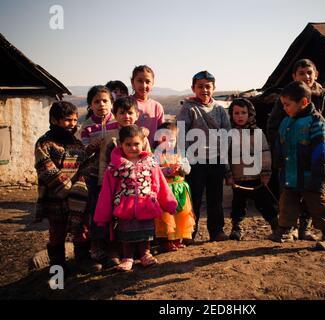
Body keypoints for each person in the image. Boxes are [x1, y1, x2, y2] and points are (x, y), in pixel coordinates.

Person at [266, 59, 325, 241]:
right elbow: (279, 142)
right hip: (291, 173)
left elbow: (324, 151)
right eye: (301, 73)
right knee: (287, 203)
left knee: (318, 204)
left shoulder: (317, 123)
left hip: (312, 173)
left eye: (287, 105)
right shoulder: (286, 120)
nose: (284, 108)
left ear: (303, 102)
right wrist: (279, 163)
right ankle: (284, 231)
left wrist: (322, 176)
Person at [94, 125, 178, 271]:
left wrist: (169, 204)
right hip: (124, 208)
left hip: (147, 205)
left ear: (143, 143)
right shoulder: (115, 167)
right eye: (128, 144)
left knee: (145, 233)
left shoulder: (150, 163)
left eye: (136, 144)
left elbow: (160, 184)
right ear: (121, 144)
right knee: (126, 233)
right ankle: (127, 258)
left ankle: (145, 254)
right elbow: (107, 192)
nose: (133, 148)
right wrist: (102, 216)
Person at [33, 101, 97, 275]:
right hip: (55, 197)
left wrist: (90, 153)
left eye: (75, 120)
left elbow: (81, 164)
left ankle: (82, 261)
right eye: (68, 120)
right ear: (54, 120)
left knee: (81, 228)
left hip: (76, 198)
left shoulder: (75, 142)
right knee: (57, 232)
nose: (73, 124)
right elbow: (46, 169)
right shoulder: (45, 143)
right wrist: (67, 190)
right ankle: (58, 271)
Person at [176, 70, 231, 242]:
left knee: (216, 198)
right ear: (193, 88)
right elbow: (181, 133)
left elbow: (226, 134)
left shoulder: (220, 110)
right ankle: (189, 232)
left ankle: (217, 231)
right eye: (200, 86)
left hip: (216, 160)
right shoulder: (188, 108)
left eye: (208, 86)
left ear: (214, 88)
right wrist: (182, 158)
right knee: (194, 198)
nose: (204, 90)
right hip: (195, 161)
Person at [224, 98, 279, 240]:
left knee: (266, 203)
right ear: (231, 115)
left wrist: (266, 173)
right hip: (238, 178)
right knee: (238, 205)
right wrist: (228, 174)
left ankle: (277, 227)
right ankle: (237, 228)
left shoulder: (258, 133)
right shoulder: (228, 135)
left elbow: (265, 153)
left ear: (250, 114)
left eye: (243, 112)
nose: (240, 116)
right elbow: (225, 156)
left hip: (256, 177)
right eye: (236, 113)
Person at [80, 85, 118, 269]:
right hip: (94, 176)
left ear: (112, 103)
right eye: (96, 101)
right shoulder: (87, 127)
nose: (101, 104)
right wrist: (90, 147)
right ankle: (97, 247)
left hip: (116, 174)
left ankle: (115, 248)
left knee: (116, 209)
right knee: (97, 210)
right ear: (90, 105)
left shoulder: (118, 122)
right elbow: (81, 153)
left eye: (105, 101)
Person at [153, 122, 196, 251]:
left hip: (180, 188)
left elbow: (188, 169)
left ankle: (178, 239)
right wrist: (166, 171)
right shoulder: (155, 155)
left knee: (181, 215)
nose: (168, 143)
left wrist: (181, 166)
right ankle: (166, 241)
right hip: (165, 190)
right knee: (166, 216)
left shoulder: (179, 154)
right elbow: (154, 171)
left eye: (172, 140)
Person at [130, 65, 164, 146]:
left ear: (153, 83)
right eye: (140, 81)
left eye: (148, 82)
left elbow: (161, 132)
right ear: (132, 82)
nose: (144, 85)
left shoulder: (157, 107)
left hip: (151, 152)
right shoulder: (126, 103)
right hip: (130, 151)